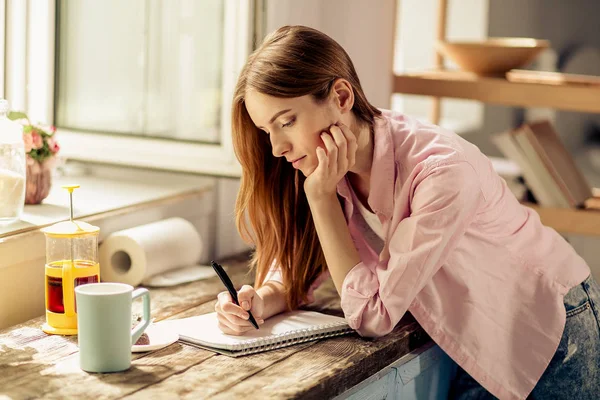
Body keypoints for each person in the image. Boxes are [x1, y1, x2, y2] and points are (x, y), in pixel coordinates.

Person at [214, 25, 600, 399]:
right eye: (267, 131)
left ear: (342, 98)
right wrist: (260, 300)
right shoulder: (325, 166)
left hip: (550, 329)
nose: (277, 147)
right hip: (479, 335)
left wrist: (321, 198)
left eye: (287, 122)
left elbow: (372, 317)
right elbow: (301, 262)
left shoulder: (442, 173)